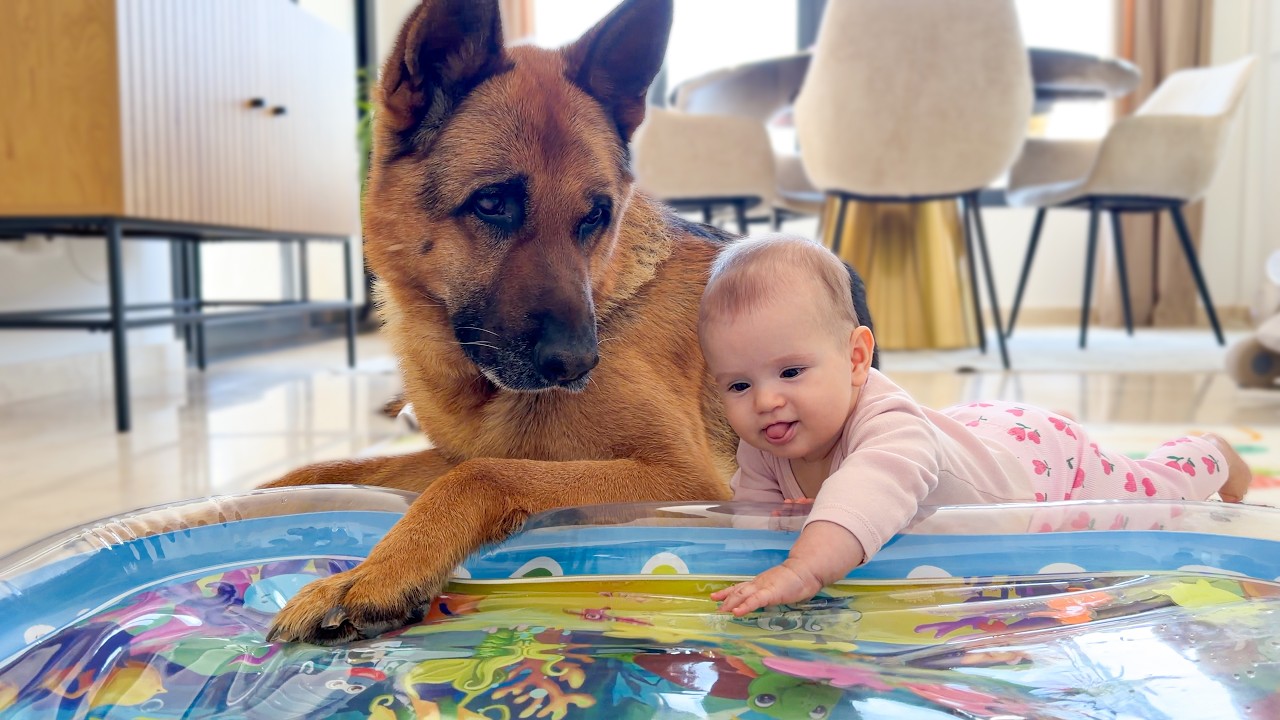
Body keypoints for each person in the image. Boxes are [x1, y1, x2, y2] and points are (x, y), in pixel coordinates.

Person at [699, 234, 1253, 617]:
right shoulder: (767, 442)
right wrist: (759, 570)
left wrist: (801, 571)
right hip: (961, 436)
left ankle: (1209, 454)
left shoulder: (888, 430)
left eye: (791, 372)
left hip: (1036, 464)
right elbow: (757, 524)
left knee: (1150, 500)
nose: (766, 401)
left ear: (855, 359)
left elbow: (865, 494)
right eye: (738, 386)